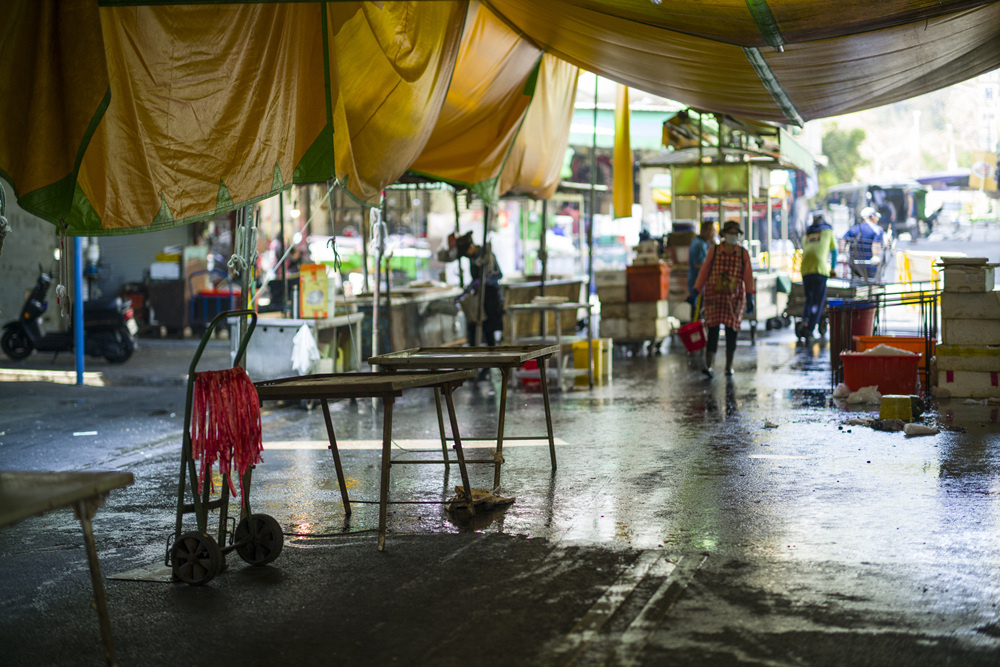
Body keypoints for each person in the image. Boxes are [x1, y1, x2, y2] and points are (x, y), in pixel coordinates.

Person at [694, 220, 755, 377]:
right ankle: (709, 365)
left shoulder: (743, 253)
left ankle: (729, 365)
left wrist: (750, 296)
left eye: (736, 234)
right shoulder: (713, 250)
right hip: (714, 298)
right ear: (724, 234)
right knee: (712, 330)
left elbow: (748, 277)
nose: (733, 236)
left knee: (731, 331)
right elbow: (704, 271)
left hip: (734, 299)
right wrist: (696, 290)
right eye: (730, 233)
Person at [454, 231, 504, 347]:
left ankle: (491, 361)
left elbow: (498, 275)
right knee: (473, 328)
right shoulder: (473, 258)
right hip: (479, 296)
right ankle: (474, 360)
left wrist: (485, 280)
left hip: (490, 297)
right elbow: (475, 279)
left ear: (471, 246)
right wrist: (468, 289)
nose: (466, 255)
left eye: (466, 252)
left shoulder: (487, 256)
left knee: (488, 331)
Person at [797, 213, 837, 341]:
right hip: (820, 269)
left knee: (809, 299)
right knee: (817, 302)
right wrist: (833, 269)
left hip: (805, 269)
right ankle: (810, 330)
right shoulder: (828, 231)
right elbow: (834, 251)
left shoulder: (808, 233)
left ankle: (805, 321)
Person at [842, 207, 885, 280]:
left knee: (856, 284)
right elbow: (876, 244)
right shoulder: (877, 229)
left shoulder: (853, 229)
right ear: (872, 217)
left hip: (854, 266)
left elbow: (843, 240)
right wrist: (875, 256)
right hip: (870, 266)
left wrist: (841, 253)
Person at [686, 221, 717, 316]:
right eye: (711, 230)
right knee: (697, 313)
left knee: (699, 311)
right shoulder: (699, 245)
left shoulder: (704, 243)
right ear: (704, 231)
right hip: (698, 283)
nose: (713, 233)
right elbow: (699, 265)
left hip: (699, 283)